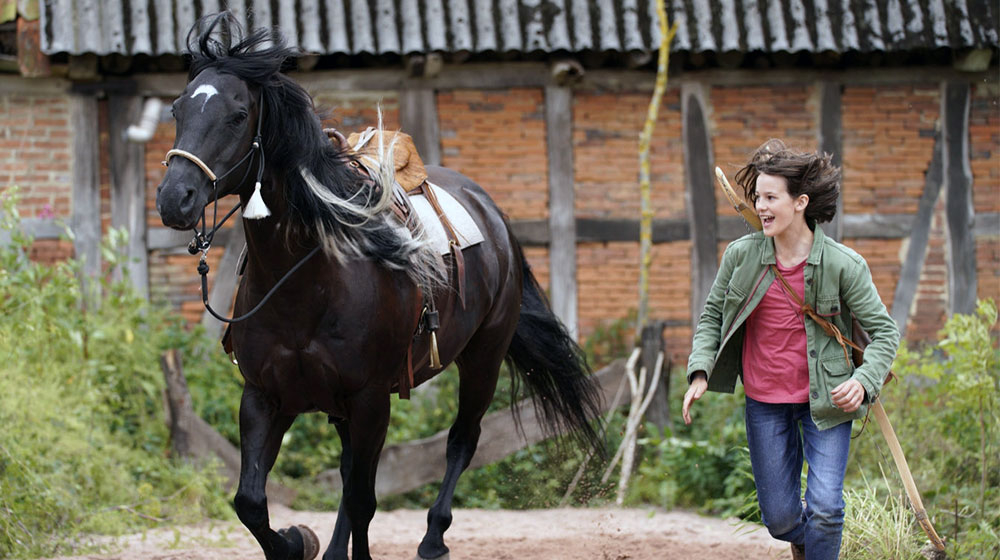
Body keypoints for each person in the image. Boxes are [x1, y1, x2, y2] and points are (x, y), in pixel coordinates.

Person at [682, 139, 900, 560]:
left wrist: (863, 380)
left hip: (828, 401)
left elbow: (885, 333)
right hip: (765, 401)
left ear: (800, 202)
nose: (761, 206)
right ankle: (806, 542)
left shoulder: (843, 264)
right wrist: (700, 371)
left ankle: (819, 542)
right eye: (758, 197)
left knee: (826, 509)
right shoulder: (742, 257)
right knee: (780, 518)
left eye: (770, 198)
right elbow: (712, 316)